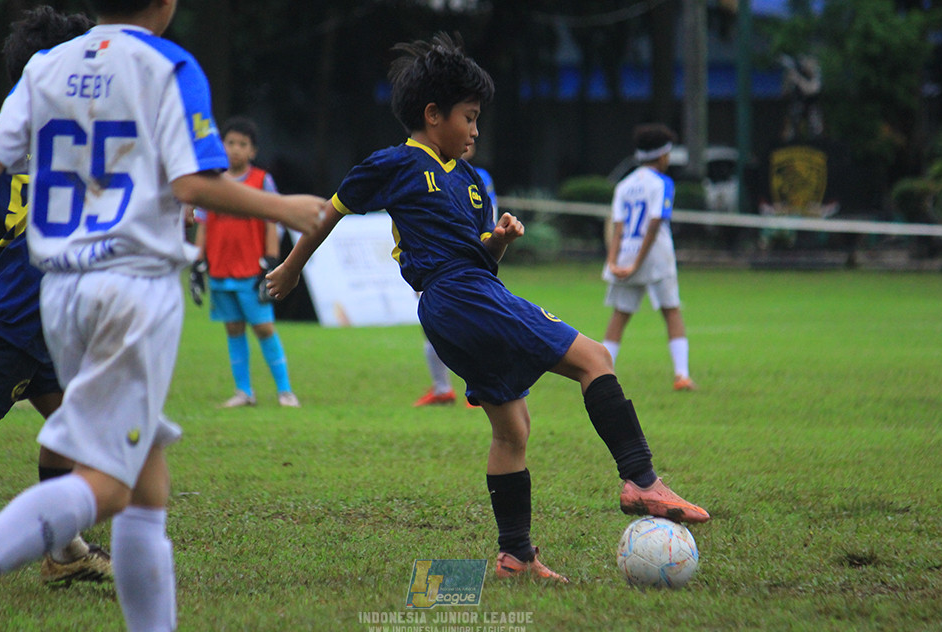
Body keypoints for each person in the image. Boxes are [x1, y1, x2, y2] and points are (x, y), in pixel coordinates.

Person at [0, 2, 323, 632]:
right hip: (133, 290)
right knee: (112, 484)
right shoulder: (169, 63)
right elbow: (190, 182)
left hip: (58, 289)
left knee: (147, 485)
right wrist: (282, 205)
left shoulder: (45, 64)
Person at [267, 33, 708, 583]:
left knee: (512, 430)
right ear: (433, 115)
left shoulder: (473, 183)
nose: (476, 129)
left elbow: (480, 255)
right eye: (469, 117)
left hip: (466, 294)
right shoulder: (394, 164)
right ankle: (641, 481)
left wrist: (498, 239)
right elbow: (328, 214)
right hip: (457, 295)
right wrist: (291, 266)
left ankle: (515, 556)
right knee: (595, 358)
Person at [0, 7, 115, 585]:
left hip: (53, 319)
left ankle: (63, 551)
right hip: (20, 314)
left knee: (73, 425)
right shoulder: (7, 143)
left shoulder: (75, 135)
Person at [192, 116, 300, 408]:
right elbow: (202, 221)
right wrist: (198, 260)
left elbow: (272, 221)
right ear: (221, 145)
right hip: (221, 270)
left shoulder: (261, 180)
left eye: (243, 144)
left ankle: (285, 390)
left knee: (264, 328)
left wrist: (271, 261)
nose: (235, 149)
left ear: (252, 151)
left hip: (252, 271)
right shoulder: (211, 181)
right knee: (233, 328)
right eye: (230, 143)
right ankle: (244, 392)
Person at [602, 123, 695, 392]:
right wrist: (638, 262)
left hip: (625, 254)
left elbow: (617, 227)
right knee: (671, 311)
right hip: (654, 256)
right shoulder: (663, 183)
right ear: (663, 156)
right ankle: (682, 375)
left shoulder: (624, 185)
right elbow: (654, 225)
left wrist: (613, 261)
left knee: (619, 315)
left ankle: (603, 374)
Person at [413, 144, 496, 408]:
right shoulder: (427, 172)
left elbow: (489, 219)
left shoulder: (478, 177)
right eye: (465, 121)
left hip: (465, 263)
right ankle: (443, 389)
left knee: (471, 324)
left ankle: (480, 387)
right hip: (434, 264)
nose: (472, 136)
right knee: (434, 326)